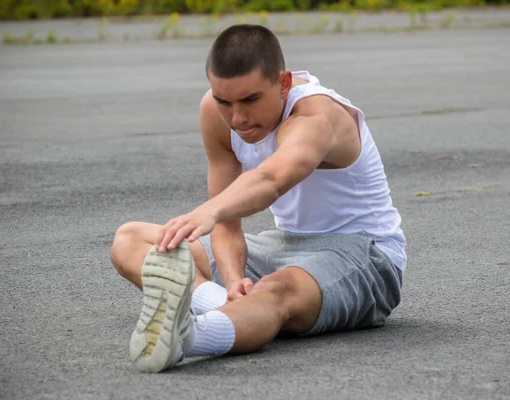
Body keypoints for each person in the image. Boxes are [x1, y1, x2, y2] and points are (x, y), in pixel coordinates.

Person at [110, 24, 407, 373]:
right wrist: (234, 281)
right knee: (132, 239)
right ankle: (232, 310)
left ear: (282, 83)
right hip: (283, 247)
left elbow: (272, 179)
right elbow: (226, 225)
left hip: (365, 255)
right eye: (224, 101)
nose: (237, 118)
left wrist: (209, 211)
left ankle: (187, 337)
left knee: (274, 289)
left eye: (250, 100)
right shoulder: (215, 114)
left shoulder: (315, 116)